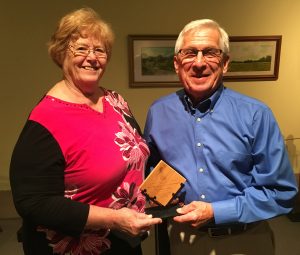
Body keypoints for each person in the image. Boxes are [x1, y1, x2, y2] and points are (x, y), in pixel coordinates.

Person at [10, 7, 162, 255]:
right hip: (76, 247)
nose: (92, 57)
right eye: (81, 48)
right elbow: (33, 202)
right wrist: (114, 219)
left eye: (100, 50)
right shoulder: (46, 118)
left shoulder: (116, 101)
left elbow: (132, 158)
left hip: (125, 241)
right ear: (61, 53)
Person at [144, 19, 298, 255]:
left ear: (225, 63)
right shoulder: (158, 112)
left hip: (244, 242)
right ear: (176, 64)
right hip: (182, 241)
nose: (198, 63)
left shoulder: (256, 115)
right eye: (189, 53)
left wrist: (216, 212)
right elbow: (154, 170)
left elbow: (281, 192)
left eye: (210, 53)